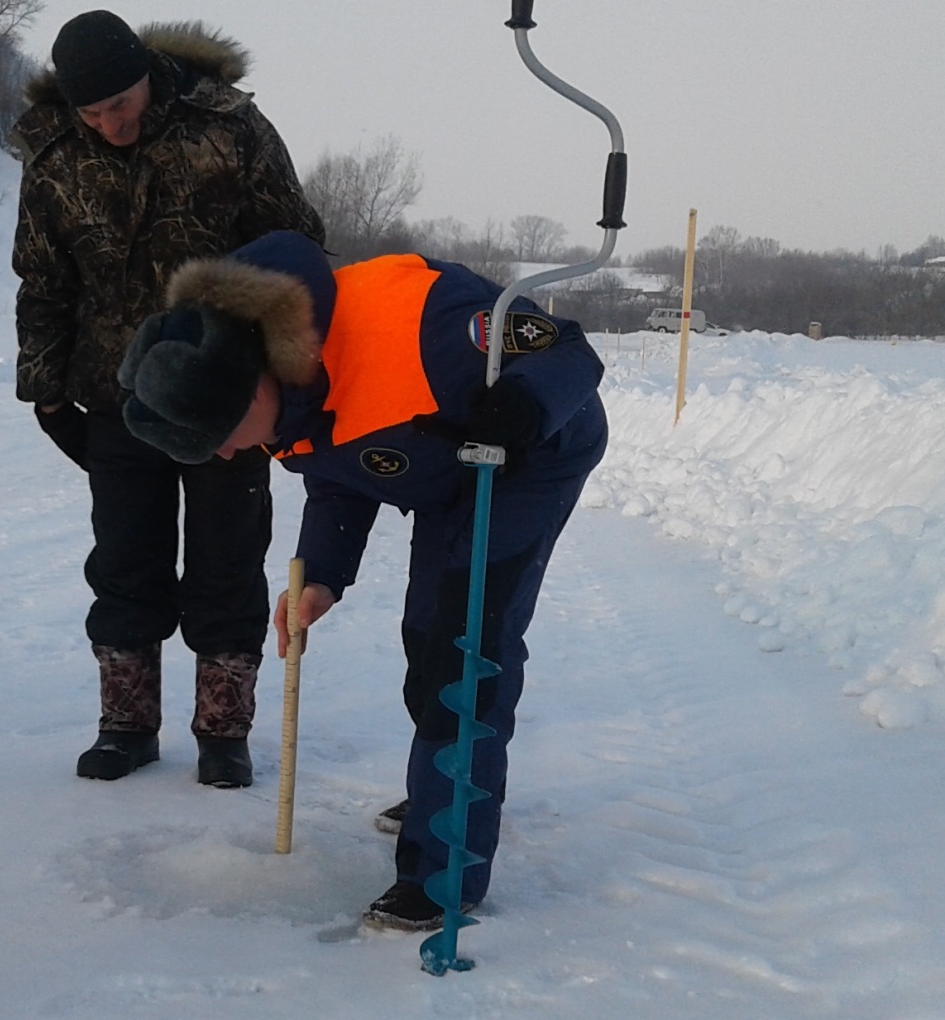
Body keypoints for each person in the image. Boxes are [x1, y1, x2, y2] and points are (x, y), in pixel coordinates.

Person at [118, 230, 607, 931]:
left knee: (465, 645)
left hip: (529, 457)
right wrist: (320, 576)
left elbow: (570, 352)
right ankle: (440, 783)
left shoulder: (415, 323)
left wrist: (521, 410)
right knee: (424, 631)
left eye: (223, 433)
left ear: (254, 374)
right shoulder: (285, 395)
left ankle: (444, 876)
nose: (230, 452)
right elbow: (338, 471)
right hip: (441, 468)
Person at [13, 10, 324, 788]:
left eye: (121, 106)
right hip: (115, 395)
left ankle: (224, 729)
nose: (110, 126)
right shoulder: (53, 156)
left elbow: (296, 251)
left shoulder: (229, 126)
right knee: (124, 560)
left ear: (147, 75)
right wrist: (46, 393)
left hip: (223, 394)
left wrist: (278, 377)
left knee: (226, 559)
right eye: (93, 114)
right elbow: (44, 281)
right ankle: (126, 723)